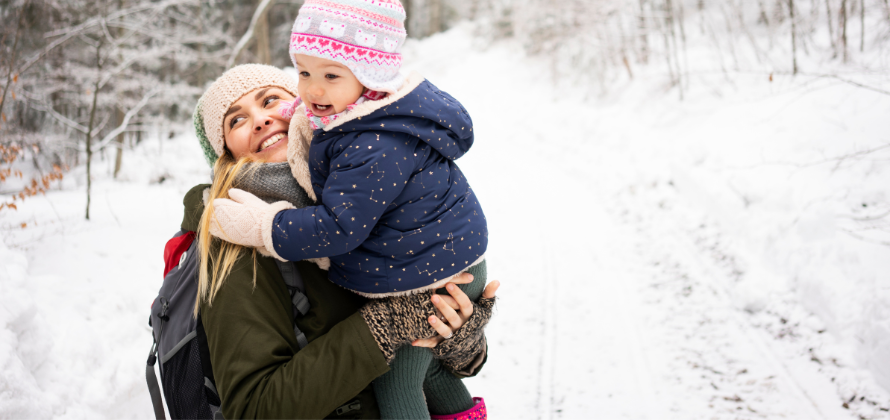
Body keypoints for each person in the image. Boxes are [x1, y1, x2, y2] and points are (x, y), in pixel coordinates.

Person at [205, 1, 492, 417]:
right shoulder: (235, 238)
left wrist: (462, 342)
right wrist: (384, 328)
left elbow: (432, 353)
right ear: (224, 154)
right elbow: (254, 410)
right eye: (236, 121)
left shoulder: (355, 163)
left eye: (270, 100)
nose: (264, 120)